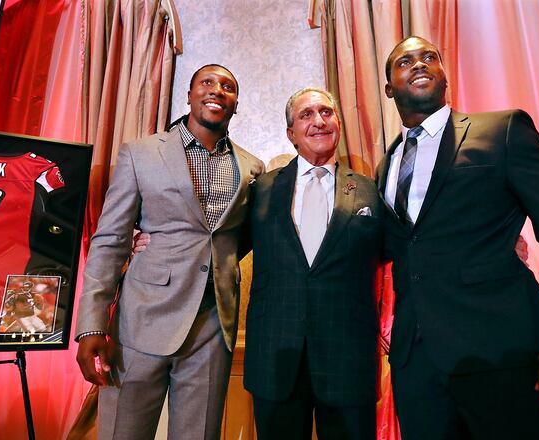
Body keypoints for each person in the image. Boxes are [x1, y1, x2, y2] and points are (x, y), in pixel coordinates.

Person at [377, 36, 539, 439]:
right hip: (417, 369)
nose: (419, 64)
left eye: (430, 57)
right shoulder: (386, 165)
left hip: (500, 353)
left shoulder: (502, 130)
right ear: (388, 87)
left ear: (444, 76)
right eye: (405, 61)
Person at [74, 64, 264, 440]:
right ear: (190, 95)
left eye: (228, 86)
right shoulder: (141, 154)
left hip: (212, 327)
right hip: (140, 321)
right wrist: (91, 324)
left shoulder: (250, 168)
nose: (217, 90)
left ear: (236, 103)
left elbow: (236, 241)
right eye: (207, 83)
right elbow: (110, 239)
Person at [243, 87, 382, 439]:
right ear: (291, 133)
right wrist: (148, 242)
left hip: (349, 362)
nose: (319, 121)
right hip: (276, 359)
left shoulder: (369, 190)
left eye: (326, 112)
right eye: (306, 115)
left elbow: (405, 248)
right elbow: (221, 245)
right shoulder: (260, 189)